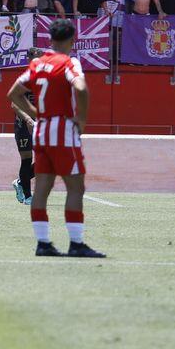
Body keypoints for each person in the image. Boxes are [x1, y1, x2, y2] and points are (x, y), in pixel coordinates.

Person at [8, 19, 104, 258]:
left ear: (50, 39)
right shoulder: (69, 62)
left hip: (41, 131)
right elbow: (80, 88)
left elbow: (13, 94)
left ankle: (43, 243)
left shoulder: (38, 64)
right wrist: (81, 120)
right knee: (76, 187)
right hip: (63, 131)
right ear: (72, 40)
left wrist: (37, 114)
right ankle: (76, 243)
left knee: (41, 188)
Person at [12, 47, 42, 204]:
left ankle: (20, 181)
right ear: (29, 59)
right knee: (26, 158)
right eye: (36, 57)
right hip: (23, 124)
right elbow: (14, 103)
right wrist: (28, 120)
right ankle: (28, 196)